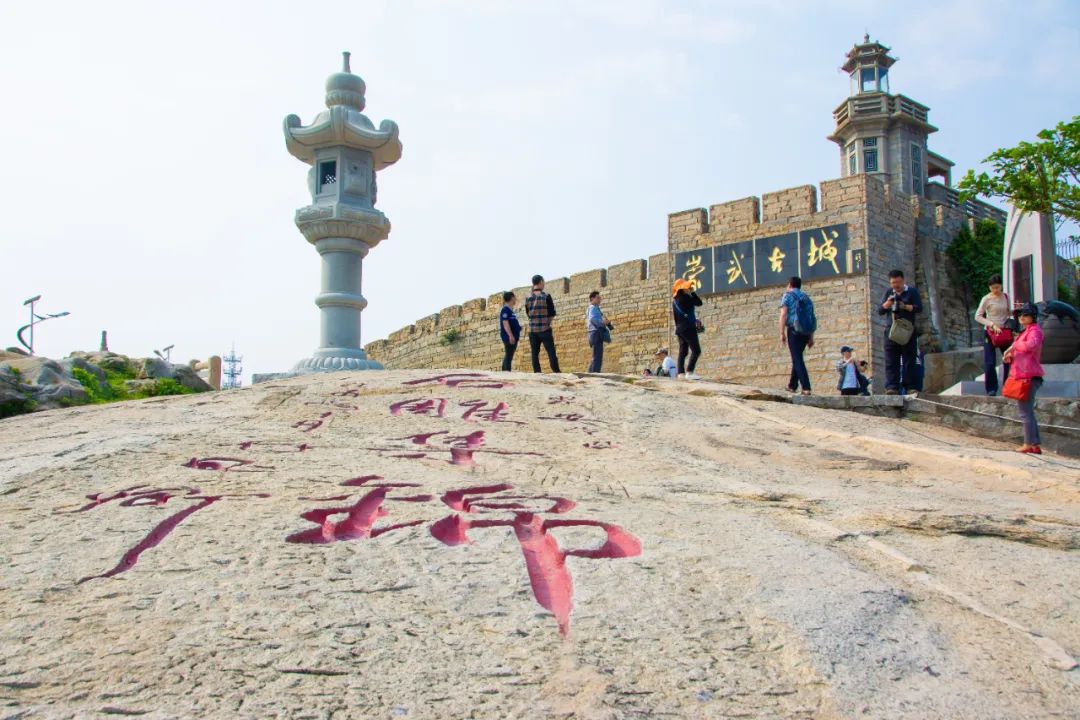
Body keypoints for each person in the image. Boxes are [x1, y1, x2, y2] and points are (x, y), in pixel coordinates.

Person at [1002, 305, 1044, 454]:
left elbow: (1030, 346)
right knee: (1028, 412)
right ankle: (1034, 444)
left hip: (1028, 376)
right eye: (1020, 316)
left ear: (1033, 316)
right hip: (1025, 374)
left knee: (1025, 412)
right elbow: (1023, 352)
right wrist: (1011, 354)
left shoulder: (1035, 331)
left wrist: (1014, 345)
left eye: (1025, 315)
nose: (1021, 318)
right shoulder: (1026, 332)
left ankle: (1028, 444)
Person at [877, 269, 923, 395]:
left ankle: (910, 387)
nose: (895, 285)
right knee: (891, 360)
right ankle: (892, 387)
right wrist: (887, 304)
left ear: (903, 280)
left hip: (907, 330)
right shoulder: (888, 292)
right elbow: (880, 311)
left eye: (897, 282)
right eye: (893, 283)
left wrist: (905, 306)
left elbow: (919, 308)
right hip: (891, 331)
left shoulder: (912, 291)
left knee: (909, 359)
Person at [975, 274, 1012, 396]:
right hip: (990, 332)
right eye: (993, 288)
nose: (995, 290)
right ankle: (991, 389)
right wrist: (991, 324)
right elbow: (978, 316)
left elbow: (1007, 313)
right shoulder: (986, 299)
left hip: (1004, 332)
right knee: (989, 361)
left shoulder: (1006, 297)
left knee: (1008, 359)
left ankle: (1008, 386)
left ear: (1001, 286)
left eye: (997, 287)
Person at [779, 276, 815, 395]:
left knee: (797, 359)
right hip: (805, 332)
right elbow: (812, 318)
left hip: (794, 330)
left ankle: (806, 387)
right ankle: (792, 385)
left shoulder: (788, 295)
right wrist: (811, 337)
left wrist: (781, 333)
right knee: (797, 357)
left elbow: (783, 314)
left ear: (790, 284)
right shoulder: (806, 297)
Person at [525, 274, 561, 373]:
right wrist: (547, 323)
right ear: (541, 282)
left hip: (533, 330)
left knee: (534, 354)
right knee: (551, 352)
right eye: (543, 282)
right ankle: (556, 372)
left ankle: (537, 373)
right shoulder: (546, 296)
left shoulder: (527, 298)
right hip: (545, 329)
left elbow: (528, 313)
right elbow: (552, 313)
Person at [672, 280, 703, 380]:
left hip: (680, 329)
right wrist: (692, 292)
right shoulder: (686, 297)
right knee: (696, 350)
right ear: (682, 288)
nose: (688, 288)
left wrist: (679, 328)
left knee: (683, 351)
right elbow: (699, 303)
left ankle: (681, 373)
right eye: (687, 287)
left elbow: (676, 317)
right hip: (688, 327)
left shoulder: (675, 301)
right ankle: (690, 372)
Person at [585, 291, 613, 373]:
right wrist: (603, 323)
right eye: (598, 298)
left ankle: (590, 373)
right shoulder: (593, 308)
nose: (599, 299)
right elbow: (593, 319)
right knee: (598, 355)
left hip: (593, 333)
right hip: (595, 332)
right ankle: (594, 374)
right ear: (592, 299)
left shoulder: (592, 308)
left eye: (599, 298)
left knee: (596, 355)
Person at [498, 291, 521, 372]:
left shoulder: (510, 311)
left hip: (513, 336)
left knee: (509, 355)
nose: (516, 299)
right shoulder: (505, 310)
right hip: (508, 337)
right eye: (514, 297)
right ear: (512, 298)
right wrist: (510, 335)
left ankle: (505, 371)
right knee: (509, 355)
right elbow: (505, 323)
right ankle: (507, 372)